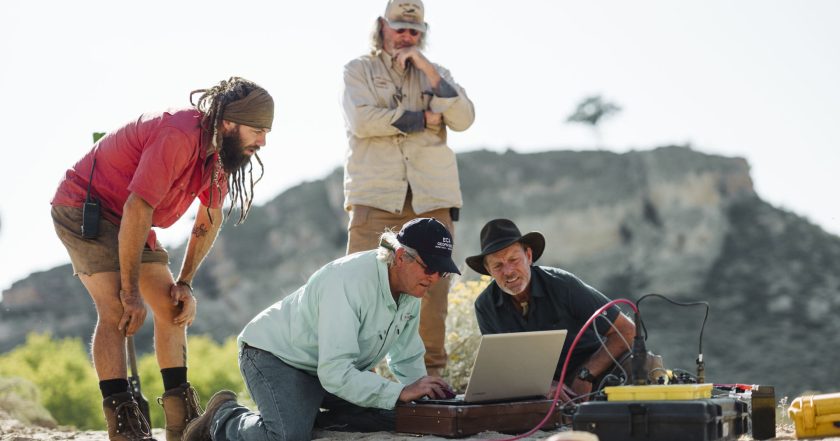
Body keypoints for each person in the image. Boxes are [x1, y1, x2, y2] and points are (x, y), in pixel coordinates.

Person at [50, 77, 274, 441]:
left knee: (172, 308)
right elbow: (139, 206)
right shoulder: (179, 135)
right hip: (84, 207)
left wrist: (184, 282)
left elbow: (209, 217)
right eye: (258, 130)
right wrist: (130, 291)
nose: (263, 142)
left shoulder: (221, 154)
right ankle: (123, 419)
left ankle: (181, 423)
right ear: (229, 123)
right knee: (118, 309)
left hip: (131, 218)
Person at [183, 218, 458, 441]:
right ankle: (223, 418)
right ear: (401, 256)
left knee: (396, 416)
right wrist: (398, 392)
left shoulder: (412, 288)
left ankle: (305, 411)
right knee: (287, 435)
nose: (434, 278)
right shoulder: (347, 281)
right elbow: (335, 372)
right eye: (429, 267)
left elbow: (406, 357)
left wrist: (423, 398)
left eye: (441, 271)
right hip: (274, 356)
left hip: (328, 370)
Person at [340, 0, 475, 377]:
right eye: (399, 27)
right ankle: (350, 379)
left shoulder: (436, 74)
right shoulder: (358, 70)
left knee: (433, 294)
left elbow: (464, 118)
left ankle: (431, 379)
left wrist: (428, 70)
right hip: (375, 197)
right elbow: (363, 121)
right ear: (382, 25)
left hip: (433, 199)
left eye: (415, 31)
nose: (406, 36)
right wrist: (424, 118)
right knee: (361, 287)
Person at [466, 219, 636, 401]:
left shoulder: (563, 285)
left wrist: (586, 375)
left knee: (641, 364)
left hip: (595, 372)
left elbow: (626, 330)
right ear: (488, 270)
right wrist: (544, 385)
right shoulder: (485, 306)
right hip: (537, 390)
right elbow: (504, 366)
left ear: (529, 256)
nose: (508, 271)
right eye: (498, 266)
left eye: (513, 260)